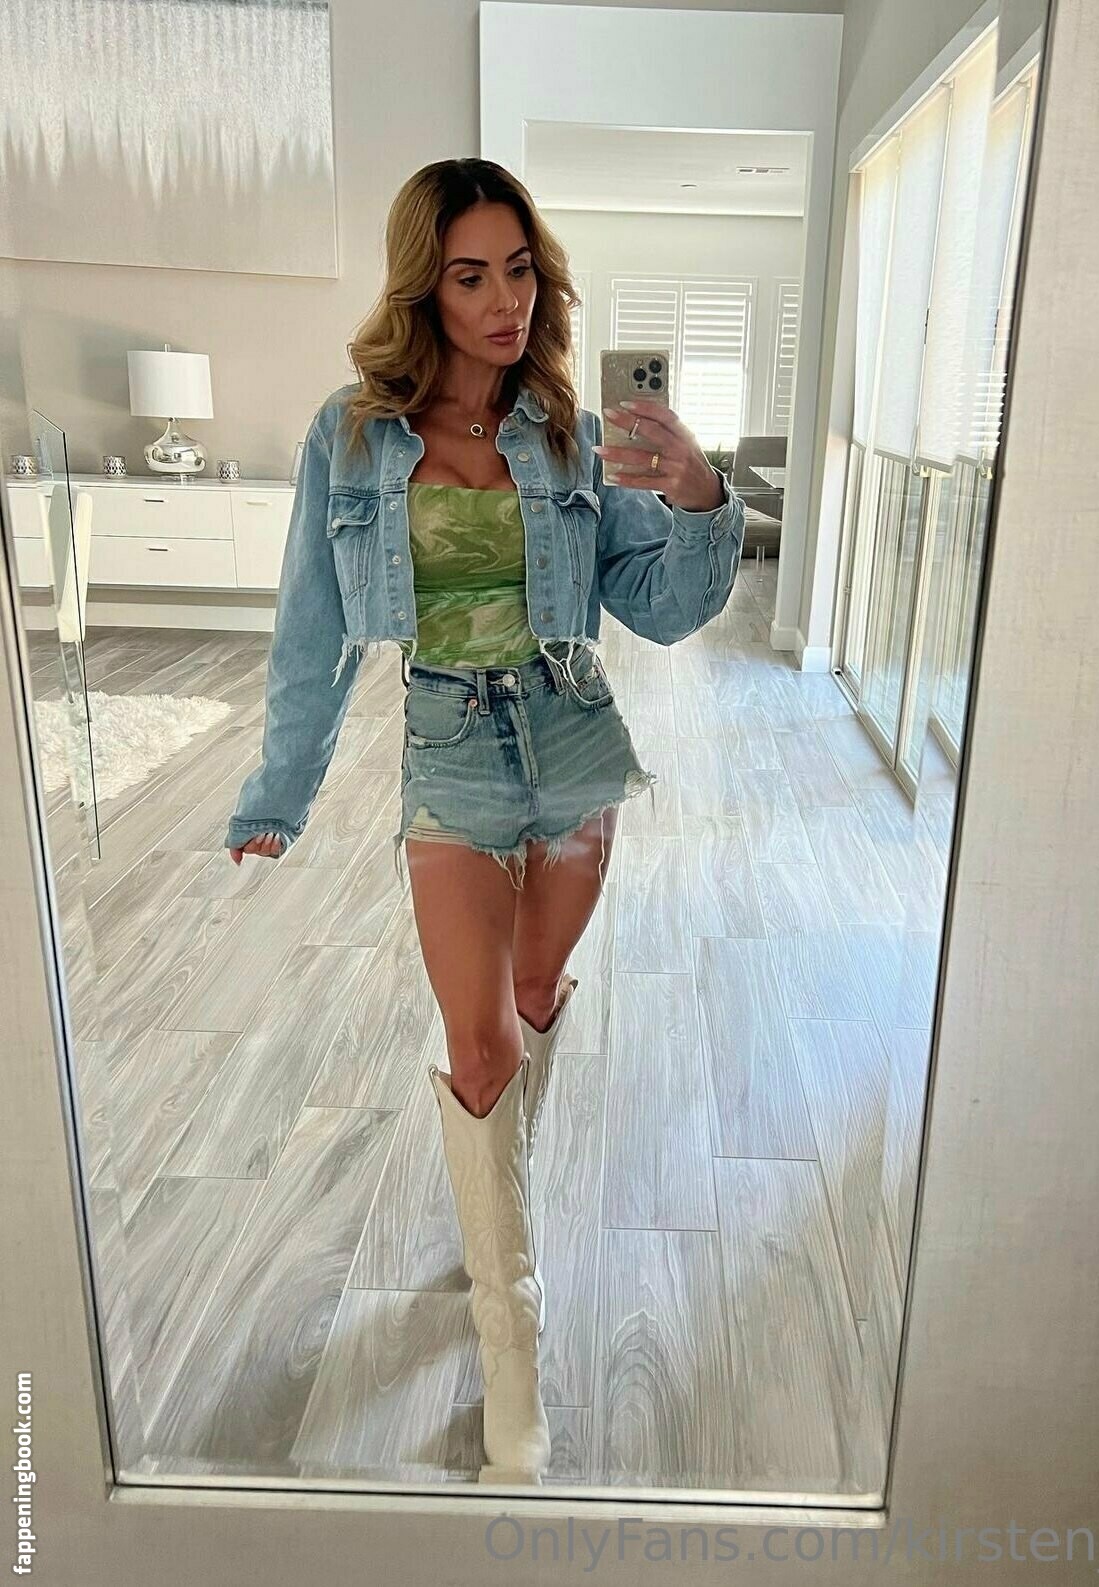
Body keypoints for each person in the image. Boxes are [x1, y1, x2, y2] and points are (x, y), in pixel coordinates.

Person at [223, 158, 745, 1484]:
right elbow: (310, 629)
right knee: (476, 1037)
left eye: (519, 270)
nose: (504, 300)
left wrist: (698, 497)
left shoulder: (569, 432)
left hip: (572, 740)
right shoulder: (350, 437)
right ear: (426, 287)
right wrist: (279, 789)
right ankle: (513, 1340)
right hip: (449, 751)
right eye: (471, 276)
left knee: (532, 991)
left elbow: (661, 609)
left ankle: (497, 1187)